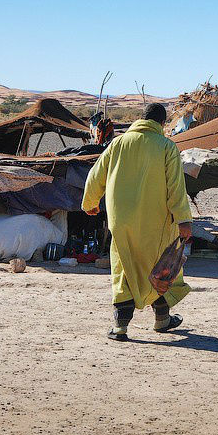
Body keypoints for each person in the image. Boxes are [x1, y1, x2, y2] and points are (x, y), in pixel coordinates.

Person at [82, 103, 192, 342]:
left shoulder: (117, 144)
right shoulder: (166, 146)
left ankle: (120, 327)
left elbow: (96, 174)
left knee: (124, 266)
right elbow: (176, 187)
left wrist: (90, 201)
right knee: (160, 266)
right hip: (157, 221)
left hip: (121, 220)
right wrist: (183, 219)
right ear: (161, 124)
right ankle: (162, 319)